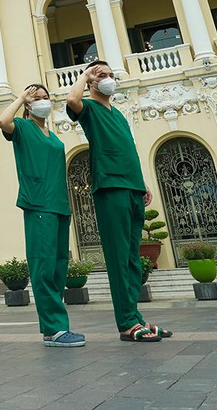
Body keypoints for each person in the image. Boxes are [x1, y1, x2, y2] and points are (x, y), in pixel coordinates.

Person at [64, 61, 170, 343]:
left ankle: (136, 317)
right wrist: (86, 74)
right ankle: (126, 323)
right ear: (91, 83)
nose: (109, 79)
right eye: (102, 75)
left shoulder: (119, 114)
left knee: (132, 257)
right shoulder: (89, 109)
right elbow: (72, 100)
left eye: (111, 75)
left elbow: (128, 150)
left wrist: (142, 182)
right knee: (118, 257)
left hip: (132, 187)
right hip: (110, 187)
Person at [0, 84, 85, 348]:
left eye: (46, 98)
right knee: (43, 266)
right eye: (37, 98)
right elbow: (2, 121)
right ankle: (54, 328)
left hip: (59, 205)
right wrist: (21, 97)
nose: (43, 102)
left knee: (59, 266)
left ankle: (54, 329)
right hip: (38, 204)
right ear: (27, 104)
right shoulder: (22, 128)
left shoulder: (52, 134)